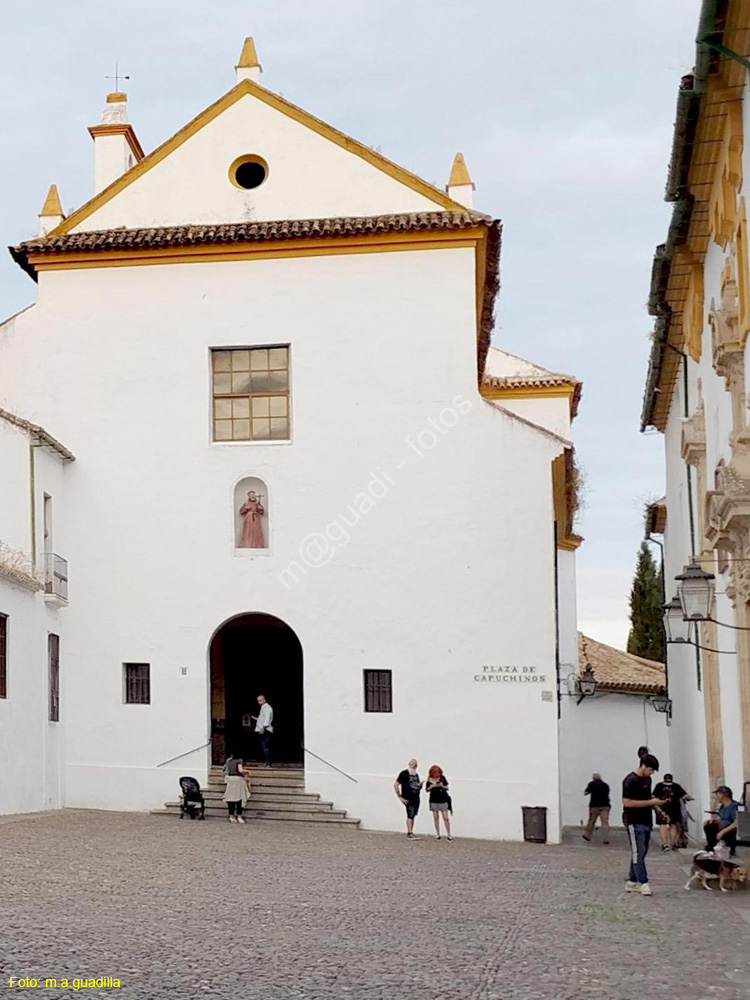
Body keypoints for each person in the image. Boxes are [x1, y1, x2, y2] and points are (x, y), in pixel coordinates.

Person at [622, 753, 665, 896]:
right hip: (633, 821)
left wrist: (658, 808)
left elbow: (648, 798)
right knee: (637, 852)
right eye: (651, 770)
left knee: (642, 851)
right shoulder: (630, 780)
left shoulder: (648, 780)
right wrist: (651, 803)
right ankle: (643, 882)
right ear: (643, 766)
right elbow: (627, 802)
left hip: (646, 819)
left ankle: (632, 881)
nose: (652, 773)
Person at [653, 773, 691, 851]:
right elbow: (685, 796)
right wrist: (689, 798)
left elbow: (653, 796)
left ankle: (665, 844)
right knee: (673, 825)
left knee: (663, 825)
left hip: (661, 808)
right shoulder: (676, 786)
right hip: (674, 808)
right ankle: (672, 844)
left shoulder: (659, 786)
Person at [704, 785, 740, 856]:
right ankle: (712, 847)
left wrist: (723, 832)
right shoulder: (722, 807)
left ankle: (729, 849)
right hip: (722, 827)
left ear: (725, 795)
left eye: (718, 794)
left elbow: (737, 822)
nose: (717, 797)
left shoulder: (735, 806)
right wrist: (713, 821)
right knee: (709, 825)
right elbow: (721, 818)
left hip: (730, 830)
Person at [394, 759, 422, 839]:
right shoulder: (404, 773)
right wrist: (400, 796)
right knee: (410, 814)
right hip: (408, 797)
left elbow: (416, 785)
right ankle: (409, 833)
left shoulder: (416, 775)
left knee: (413, 815)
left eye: (414, 763)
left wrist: (420, 786)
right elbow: (396, 784)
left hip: (416, 797)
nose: (412, 764)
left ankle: (411, 831)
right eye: (411, 763)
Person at [425, 765, 452, 841]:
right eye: (435, 772)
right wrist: (432, 786)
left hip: (443, 799)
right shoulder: (429, 779)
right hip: (434, 800)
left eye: (438, 772)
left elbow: (447, 787)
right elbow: (427, 789)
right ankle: (438, 833)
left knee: (445, 817)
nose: (437, 774)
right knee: (436, 817)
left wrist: (442, 785)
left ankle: (449, 834)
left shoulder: (442, 778)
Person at [582, 773, 610, 843]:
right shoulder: (605, 785)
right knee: (604, 822)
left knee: (591, 821)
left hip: (594, 806)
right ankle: (605, 839)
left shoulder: (591, 784)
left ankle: (587, 835)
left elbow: (586, 792)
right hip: (605, 806)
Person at [222, 751, 248, 824]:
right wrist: (247, 771)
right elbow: (240, 770)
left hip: (230, 780)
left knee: (230, 798)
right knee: (239, 798)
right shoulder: (239, 761)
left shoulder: (228, 760)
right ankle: (239, 816)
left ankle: (231, 816)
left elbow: (224, 769)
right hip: (238, 780)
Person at [253, 694, 274, 766]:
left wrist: (263, 728)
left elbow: (267, 719)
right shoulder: (263, 708)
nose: (259, 702)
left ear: (264, 700)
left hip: (265, 729)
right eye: (258, 701)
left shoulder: (267, 708)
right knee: (264, 746)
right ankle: (265, 761)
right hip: (263, 728)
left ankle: (267, 762)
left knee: (265, 746)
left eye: (260, 700)